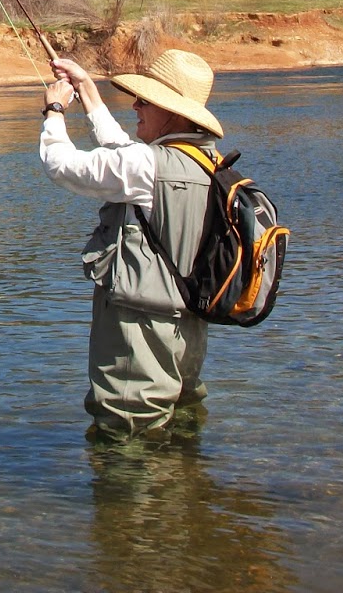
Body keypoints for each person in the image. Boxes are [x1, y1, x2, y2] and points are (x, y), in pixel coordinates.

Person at [39, 48, 226, 436]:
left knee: (126, 435)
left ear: (173, 112)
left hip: (138, 333)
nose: (136, 104)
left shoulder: (147, 166)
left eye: (146, 99)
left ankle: (130, 497)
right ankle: (189, 492)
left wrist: (55, 111)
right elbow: (126, 155)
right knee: (182, 420)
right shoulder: (209, 163)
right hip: (187, 330)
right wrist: (88, 91)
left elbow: (62, 166)